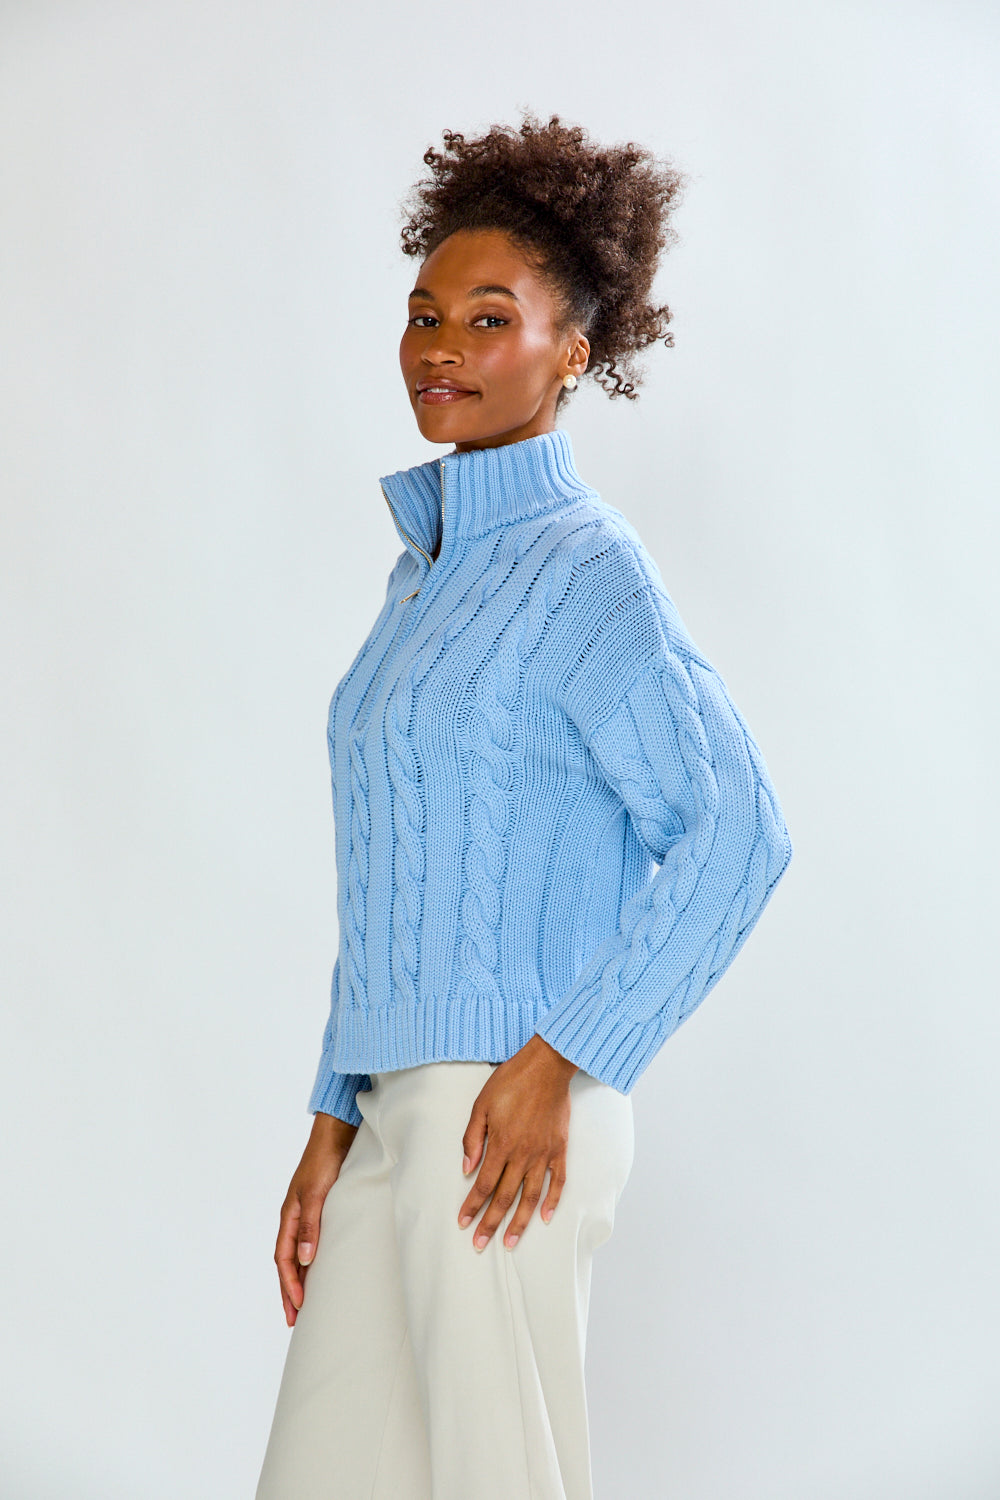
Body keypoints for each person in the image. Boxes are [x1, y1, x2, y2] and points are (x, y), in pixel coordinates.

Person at [255, 113, 793, 1500]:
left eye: (490, 319)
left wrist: (568, 1056)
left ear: (576, 349)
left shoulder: (585, 572)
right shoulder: (419, 586)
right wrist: (332, 1115)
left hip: (502, 1122)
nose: (440, 344)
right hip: (396, 1119)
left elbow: (739, 830)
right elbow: (393, 874)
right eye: (425, 314)